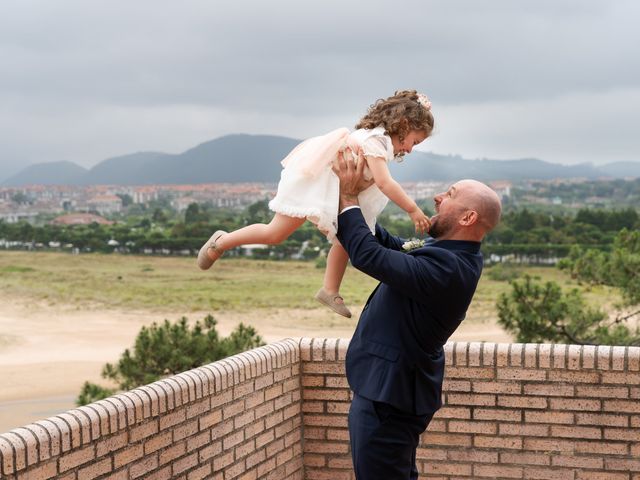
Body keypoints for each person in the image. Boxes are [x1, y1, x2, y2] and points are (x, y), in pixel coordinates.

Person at [331, 152, 501, 479]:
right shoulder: (449, 255)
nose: (437, 198)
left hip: (390, 399)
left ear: (468, 218)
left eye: (449, 195)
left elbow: (370, 257)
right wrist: (349, 208)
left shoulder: (450, 269)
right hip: (386, 391)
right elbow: (388, 247)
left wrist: (350, 198)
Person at [197, 90, 434, 318]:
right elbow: (384, 182)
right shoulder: (376, 141)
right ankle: (221, 242)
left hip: (339, 191)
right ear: (404, 125)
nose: (411, 150)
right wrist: (413, 210)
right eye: (415, 141)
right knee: (275, 233)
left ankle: (330, 290)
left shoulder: (378, 141)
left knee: (345, 239)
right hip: (320, 185)